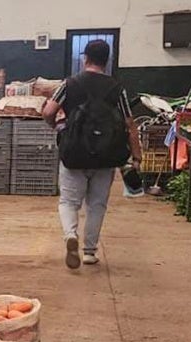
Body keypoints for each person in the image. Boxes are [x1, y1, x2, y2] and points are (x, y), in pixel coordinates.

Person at [43, 39, 141, 269]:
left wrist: (56, 126)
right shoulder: (117, 88)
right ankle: (89, 252)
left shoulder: (70, 83)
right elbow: (129, 124)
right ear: (106, 61)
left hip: (74, 152)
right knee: (97, 205)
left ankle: (70, 235)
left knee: (68, 201)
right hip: (106, 155)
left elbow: (49, 111)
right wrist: (136, 156)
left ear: (85, 57)